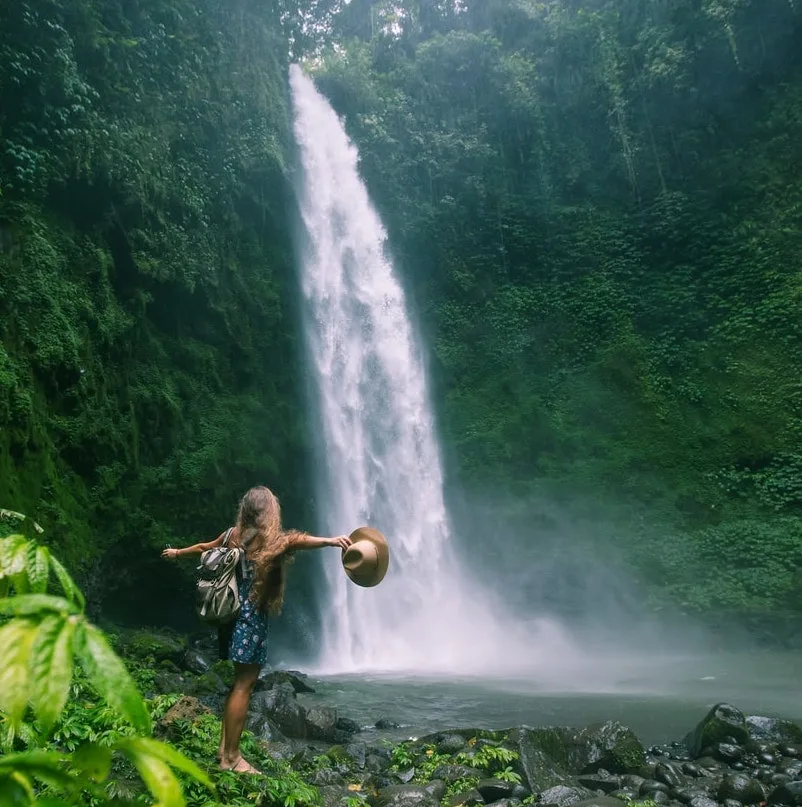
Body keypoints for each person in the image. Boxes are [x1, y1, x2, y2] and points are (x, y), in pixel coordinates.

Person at [161, 485, 350, 774]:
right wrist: (331, 541)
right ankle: (232, 758)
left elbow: (202, 548)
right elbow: (299, 540)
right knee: (244, 686)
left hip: (231, 617)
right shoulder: (271, 541)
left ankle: (224, 751)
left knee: (238, 684)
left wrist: (177, 552)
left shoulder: (230, 535)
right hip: (251, 619)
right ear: (268, 511)